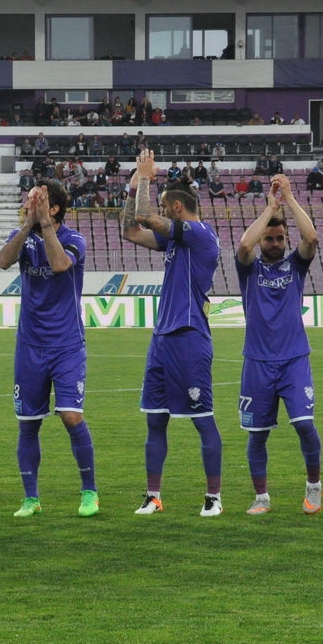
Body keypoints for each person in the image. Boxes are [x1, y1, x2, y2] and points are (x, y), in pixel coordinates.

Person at [123, 150, 222, 516]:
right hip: (162, 337)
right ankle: (153, 496)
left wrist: (144, 179)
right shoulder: (178, 240)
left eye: (165, 207)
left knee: (202, 418)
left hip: (189, 334)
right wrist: (132, 188)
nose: (161, 211)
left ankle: (213, 498)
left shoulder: (200, 233)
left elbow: (145, 217)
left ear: (177, 207)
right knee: (155, 419)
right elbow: (131, 230)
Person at [0, 180, 98, 518]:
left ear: (53, 208)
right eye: (28, 199)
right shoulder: (22, 235)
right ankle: (31, 498)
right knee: (28, 424)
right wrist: (28, 225)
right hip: (29, 345)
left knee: (71, 417)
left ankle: (89, 492)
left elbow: (59, 264)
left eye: (36, 200)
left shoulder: (74, 239)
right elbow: (3, 261)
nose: (28, 204)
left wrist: (44, 225)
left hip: (66, 344)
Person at [234, 175, 322, 516]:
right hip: (257, 361)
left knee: (304, 425)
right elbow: (244, 246)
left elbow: (311, 238)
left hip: (294, 359)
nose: (274, 243)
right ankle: (262, 498)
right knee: (257, 435)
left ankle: (313, 487)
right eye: (268, 238)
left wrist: (289, 197)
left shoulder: (295, 265)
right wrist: (270, 209)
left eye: (279, 238)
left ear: (286, 240)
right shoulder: (249, 268)